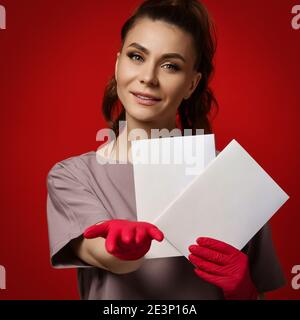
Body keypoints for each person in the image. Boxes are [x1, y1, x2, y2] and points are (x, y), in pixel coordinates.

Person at [46, 0, 285, 300]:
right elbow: (102, 254)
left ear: (191, 84)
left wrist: (245, 290)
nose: (148, 77)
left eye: (170, 65)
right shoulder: (72, 175)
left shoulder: (232, 178)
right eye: (136, 56)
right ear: (118, 63)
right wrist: (119, 249)